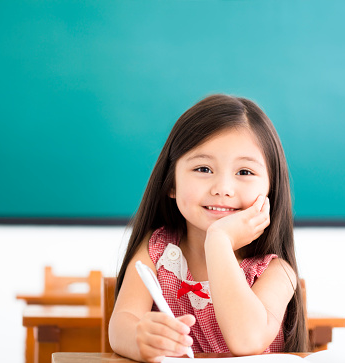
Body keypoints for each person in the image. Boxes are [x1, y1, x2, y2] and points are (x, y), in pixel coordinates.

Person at [109, 94, 307, 362]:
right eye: (203, 168)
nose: (222, 189)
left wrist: (219, 240)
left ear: (271, 189)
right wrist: (140, 338)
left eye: (245, 172)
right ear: (171, 183)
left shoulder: (276, 272)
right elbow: (121, 325)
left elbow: (246, 341)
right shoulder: (157, 252)